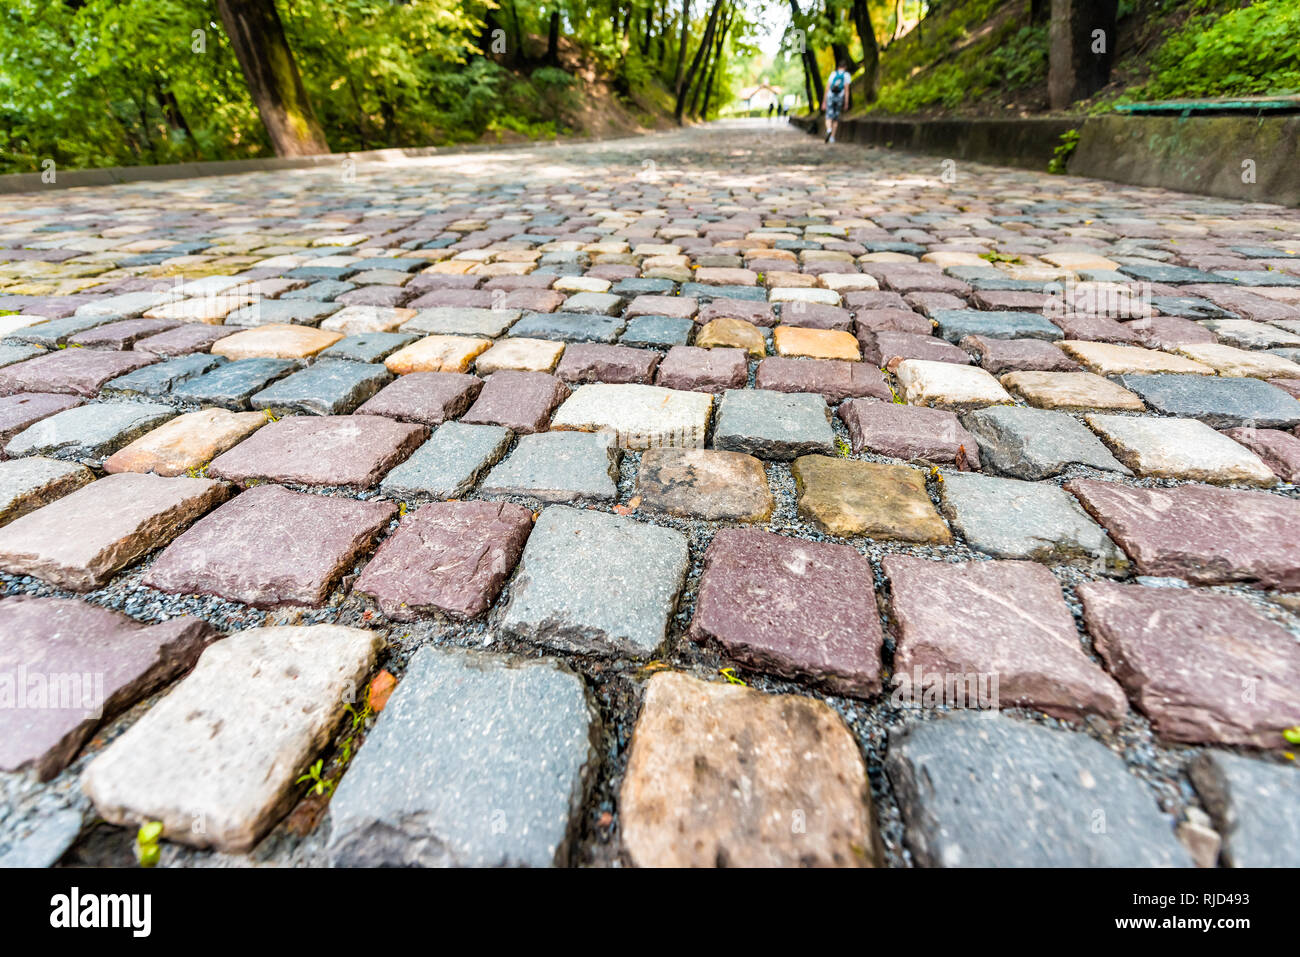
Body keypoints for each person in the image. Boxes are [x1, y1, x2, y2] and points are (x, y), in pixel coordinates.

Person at [823, 60, 851, 143]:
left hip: (830, 97)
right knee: (835, 118)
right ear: (845, 67)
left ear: (838, 67)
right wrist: (846, 103)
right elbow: (846, 90)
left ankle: (828, 129)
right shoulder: (846, 75)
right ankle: (832, 137)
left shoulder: (833, 74)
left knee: (828, 116)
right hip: (839, 98)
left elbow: (827, 88)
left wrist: (824, 101)